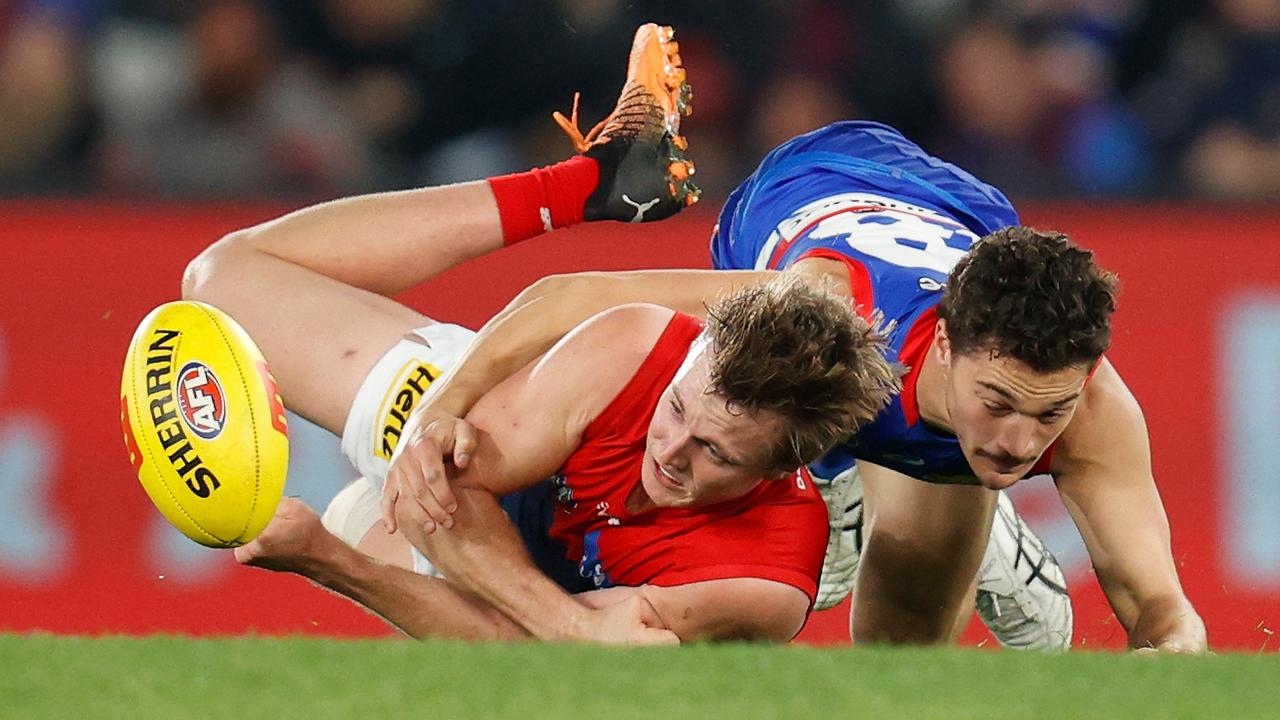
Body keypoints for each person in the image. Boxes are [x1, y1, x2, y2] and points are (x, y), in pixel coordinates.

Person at [378, 36, 1207, 652]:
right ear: (949, 345)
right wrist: (443, 410)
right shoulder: (820, 312)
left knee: (907, 648)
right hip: (808, 187)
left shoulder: (1089, 404)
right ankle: (845, 486)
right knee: (763, 426)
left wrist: (1165, 665)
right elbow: (572, 295)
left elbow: (1164, 612)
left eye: (1048, 414)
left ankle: (916, 505)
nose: (1024, 444)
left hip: (962, 216)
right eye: (999, 404)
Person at [182, 24, 900, 644]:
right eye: (679, 411)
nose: (671, 450)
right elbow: (437, 493)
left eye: (714, 450)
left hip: (480, 583)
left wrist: (329, 562)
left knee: (477, 667)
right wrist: (439, 414)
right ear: (693, 359)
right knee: (221, 278)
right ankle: (582, 185)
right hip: (477, 449)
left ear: (778, 469)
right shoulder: (641, 352)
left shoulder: (761, 582)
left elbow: (523, 653)